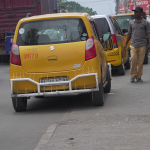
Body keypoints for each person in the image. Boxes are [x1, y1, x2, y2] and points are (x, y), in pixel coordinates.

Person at [124, 7, 150, 83]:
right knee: (133, 60)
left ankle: (139, 77)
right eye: (134, 12)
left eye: (137, 12)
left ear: (141, 13)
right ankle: (133, 76)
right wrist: (126, 44)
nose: (135, 13)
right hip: (133, 45)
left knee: (140, 62)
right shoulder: (131, 23)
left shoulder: (145, 23)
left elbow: (148, 34)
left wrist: (149, 44)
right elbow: (129, 34)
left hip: (142, 45)